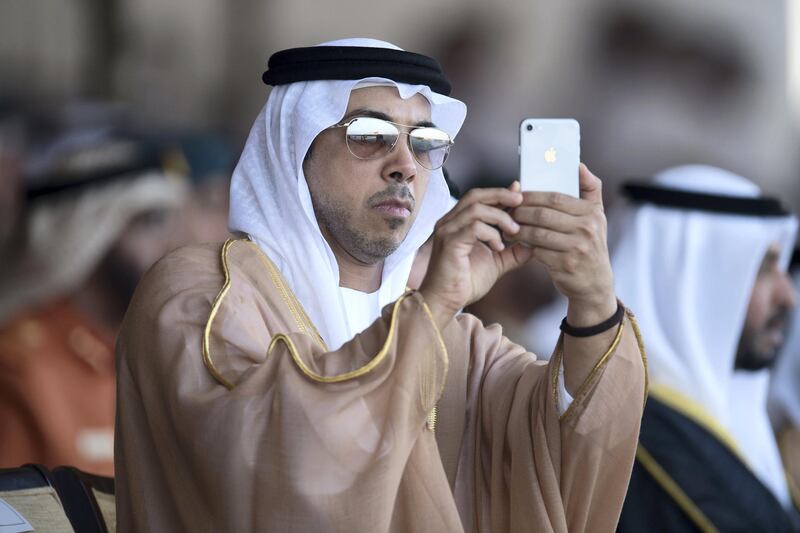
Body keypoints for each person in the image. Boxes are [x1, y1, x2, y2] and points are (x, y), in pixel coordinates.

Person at [114, 38, 647, 532]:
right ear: (293, 147)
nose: (405, 167)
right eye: (370, 136)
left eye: (424, 143)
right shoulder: (202, 291)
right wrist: (433, 305)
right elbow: (277, 465)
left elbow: (561, 459)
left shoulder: (454, 340)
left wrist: (592, 301)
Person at [614, 165, 799, 531]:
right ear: (684, 281)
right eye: (762, 269)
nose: (788, 296)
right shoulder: (618, 436)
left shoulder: (742, 420)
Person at [0, 128, 188, 475]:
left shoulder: (159, 360)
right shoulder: (19, 366)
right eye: (151, 221)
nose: (172, 243)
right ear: (90, 230)